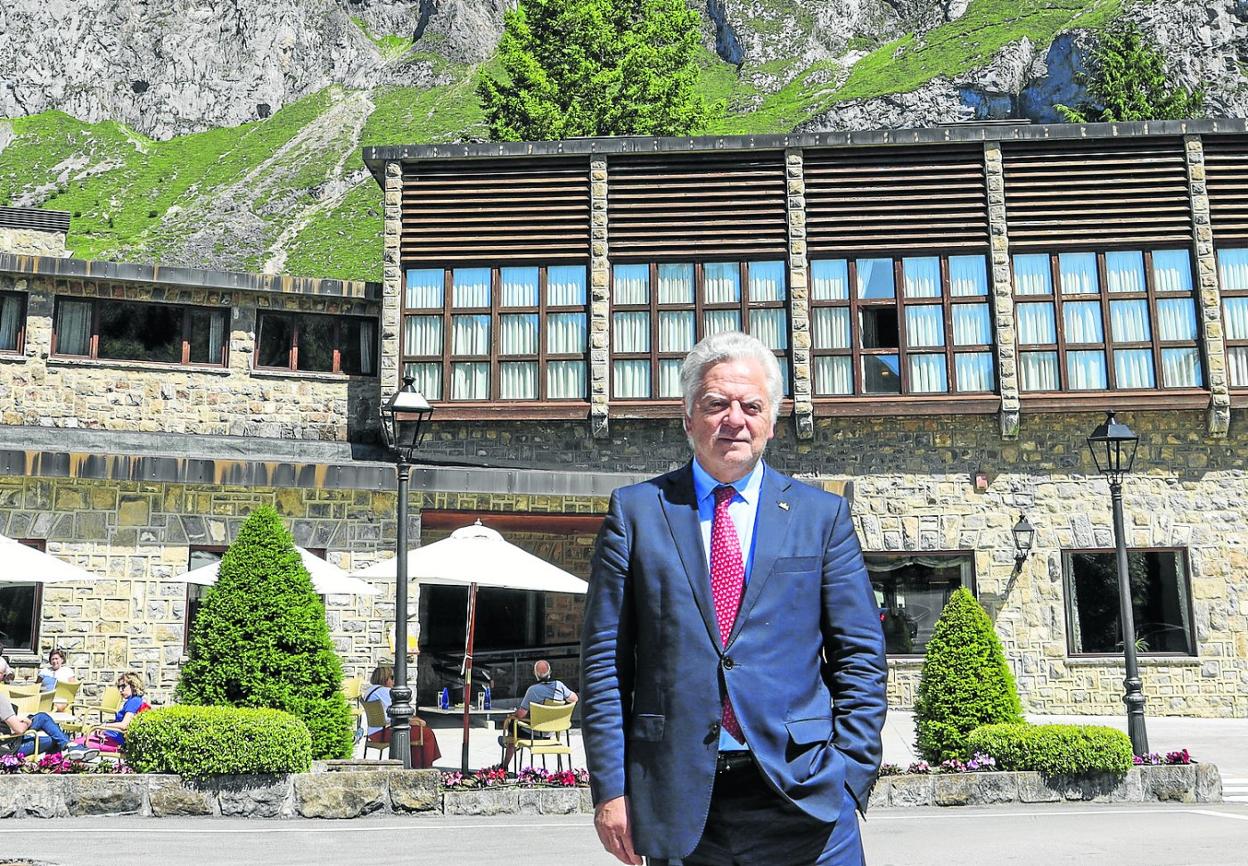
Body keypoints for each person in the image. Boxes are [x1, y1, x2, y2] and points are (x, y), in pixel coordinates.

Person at [581, 332, 888, 866]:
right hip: (680, 803)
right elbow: (605, 665)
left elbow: (859, 655)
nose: (734, 419)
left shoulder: (822, 517)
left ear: (772, 419)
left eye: (751, 406)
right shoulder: (636, 513)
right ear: (688, 418)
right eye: (716, 404)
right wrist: (610, 789)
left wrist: (850, 771)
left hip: (804, 795)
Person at [499, 660, 578, 768]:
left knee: (512, 724)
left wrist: (513, 714)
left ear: (536, 674)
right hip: (549, 734)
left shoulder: (533, 690)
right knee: (514, 727)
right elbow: (574, 698)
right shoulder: (559, 686)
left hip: (532, 734)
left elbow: (521, 715)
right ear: (550, 672)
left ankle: (505, 764)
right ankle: (511, 744)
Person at [360, 663, 441, 768]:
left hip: (374, 732)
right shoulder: (385, 691)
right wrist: (416, 720)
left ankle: (418, 765)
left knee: (417, 731)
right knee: (426, 733)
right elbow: (400, 712)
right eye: (392, 678)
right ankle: (424, 767)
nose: (394, 682)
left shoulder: (370, 691)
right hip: (384, 732)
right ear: (385, 678)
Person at [0, 689, 95, 760]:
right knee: (54, 736)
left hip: (7, 742)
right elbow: (19, 729)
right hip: (9, 748)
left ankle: (68, 747)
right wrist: (27, 722)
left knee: (46, 722)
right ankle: (67, 751)